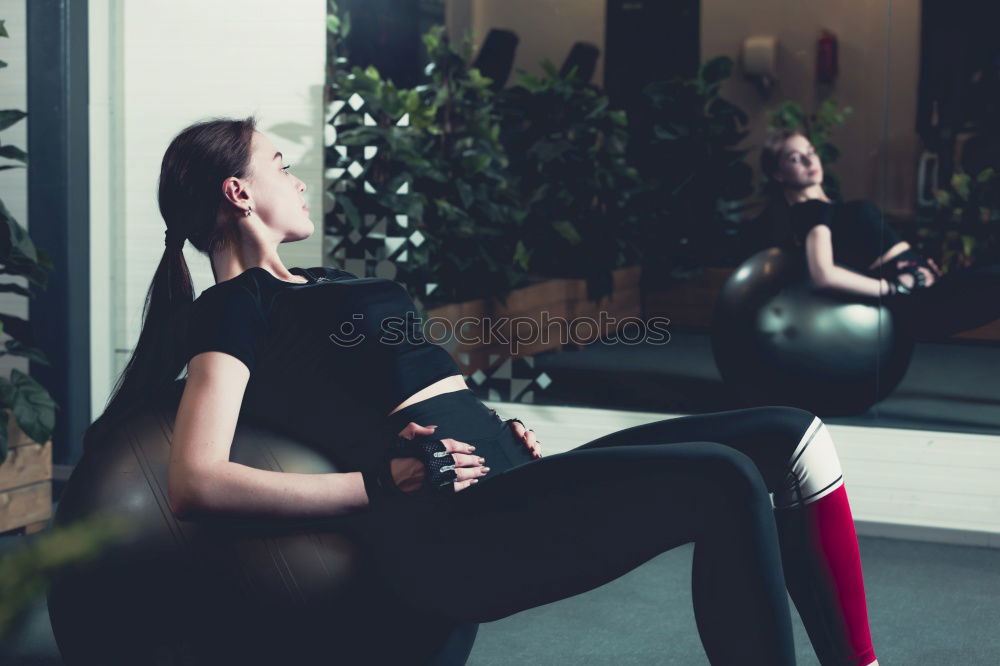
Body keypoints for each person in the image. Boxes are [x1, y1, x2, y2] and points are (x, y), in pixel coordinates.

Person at [85, 116, 882, 666]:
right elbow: (193, 482)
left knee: (789, 433)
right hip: (451, 533)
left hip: (507, 480)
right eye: (280, 166)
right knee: (725, 477)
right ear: (237, 192)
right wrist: (378, 484)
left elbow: (388, 387)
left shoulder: (317, 284)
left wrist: (489, 426)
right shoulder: (234, 307)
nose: (297, 180)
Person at [761, 129, 1000, 341]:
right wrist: (893, 288)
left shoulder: (829, 208)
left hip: (926, 291)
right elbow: (823, 275)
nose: (808, 160)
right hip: (916, 302)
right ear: (778, 175)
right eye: (794, 158)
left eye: (810, 152)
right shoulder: (811, 211)